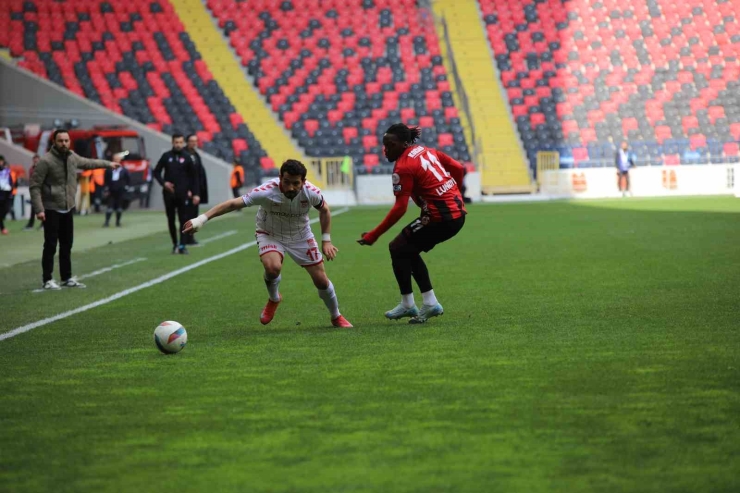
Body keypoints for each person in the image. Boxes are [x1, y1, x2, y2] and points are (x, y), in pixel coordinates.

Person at [183, 159, 353, 328]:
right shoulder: (266, 191)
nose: (291, 188)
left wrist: (326, 241)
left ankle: (335, 316)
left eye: (296, 183)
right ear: (280, 178)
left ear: (303, 182)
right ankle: (274, 298)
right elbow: (233, 203)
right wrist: (201, 219)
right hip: (269, 233)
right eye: (286, 182)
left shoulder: (311, 192)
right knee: (272, 268)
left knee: (321, 281)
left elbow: (325, 210)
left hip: (300, 235)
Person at [357, 123, 467, 324]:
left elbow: (400, 208)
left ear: (404, 143)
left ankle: (415, 304)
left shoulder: (403, 167)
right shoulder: (427, 151)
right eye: (384, 145)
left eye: (390, 145)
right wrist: (455, 192)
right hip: (456, 214)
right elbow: (459, 168)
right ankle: (418, 303)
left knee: (398, 247)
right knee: (405, 248)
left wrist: (374, 234)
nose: (385, 150)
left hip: (440, 218)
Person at [29, 129, 122, 290]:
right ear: (54, 142)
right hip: (51, 208)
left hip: (68, 207)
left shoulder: (72, 157)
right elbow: (34, 186)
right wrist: (39, 209)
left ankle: (66, 277)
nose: (64, 143)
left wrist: (108, 164)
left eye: (66, 140)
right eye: (60, 141)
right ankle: (47, 279)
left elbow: (89, 163)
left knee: (67, 244)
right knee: (50, 245)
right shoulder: (46, 161)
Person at [153, 134, 200, 255]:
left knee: (183, 220)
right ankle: (175, 244)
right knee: (171, 219)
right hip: (169, 194)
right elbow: (156, 172)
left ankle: (182, 245)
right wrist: (164, 183)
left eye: (180, 142)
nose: (178, 144)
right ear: (172, 142)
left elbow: (194, 177)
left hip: (183, 194)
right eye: (176, 142)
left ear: (183, 142)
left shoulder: (187, 157)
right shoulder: (166, 156)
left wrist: (195, 193)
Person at [184, 134, 208, 246]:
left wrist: (198, 192)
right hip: (187, 191)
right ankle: (184, 238)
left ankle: (190, 238)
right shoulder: (184, 155)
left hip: (196, 191)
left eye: (195, 141)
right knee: (185, 215)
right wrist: (187, 189)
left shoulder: (196, 155)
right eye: (191, 141)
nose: (194, 143)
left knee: (193, 214)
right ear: (187, 142)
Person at [24, 154, 41, 231]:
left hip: (42, 191)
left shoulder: (43, 168)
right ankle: (31, 224)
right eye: (34, 159)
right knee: (33, 208)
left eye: (37, 159)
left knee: (43, 209)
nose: (35, 161)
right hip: (35, 191)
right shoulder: (31, 169)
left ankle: (43, 225)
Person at [0, 155, 15, 235]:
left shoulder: (6, 171)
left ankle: (2, 227)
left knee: (6, 210)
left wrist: (11, 190)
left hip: (6, 195)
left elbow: (10, 181)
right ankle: (2, 228)